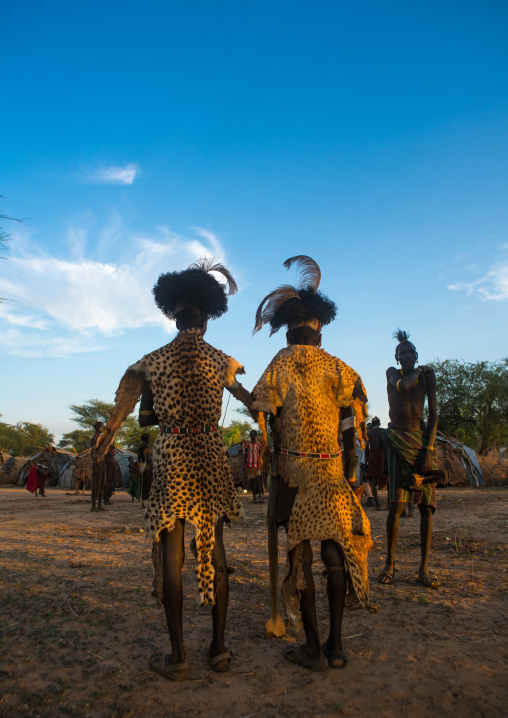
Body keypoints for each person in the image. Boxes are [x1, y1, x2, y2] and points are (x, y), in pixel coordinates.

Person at [92, 258, 255, 681]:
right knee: (214, 548)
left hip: (171, 454)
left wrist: (116, 431)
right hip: (210, 454)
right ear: (206, 318)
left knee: (172, 552)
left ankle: (178, 655)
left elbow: (127, 414)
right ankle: (218, 649)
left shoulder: (151, 361)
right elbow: (254, 403)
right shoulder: (221, 360)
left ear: (173, 314)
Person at [252, 256, 376, 672]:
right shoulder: (342, 369)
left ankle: (311, 649)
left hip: (293, 474)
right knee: (334, 552)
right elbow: (349, 427)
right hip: (332, 472)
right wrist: (350, 475)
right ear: (320, 326)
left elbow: (265, 415)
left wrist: (273, 449)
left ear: (290, 328)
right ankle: (336, 646)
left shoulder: (279, 365)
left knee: (300, 557)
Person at [378, 329, 443, 589]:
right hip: (396, 439)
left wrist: (429, 449)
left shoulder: (428, 377)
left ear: (416, 355)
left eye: (410, 352)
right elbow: (403, 386)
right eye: (402, 353)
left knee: (426, 507)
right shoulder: (393, 373)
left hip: (419, 442)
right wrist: (420, 372)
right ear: (396, 356)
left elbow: (435, 414)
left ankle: (423, 569)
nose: (406, 356)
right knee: (395, 506)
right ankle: (389, 564)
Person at [365, 417, 385, 510]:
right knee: (386, 477)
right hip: (382, 456)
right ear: (379, 423)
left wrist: (366, 460)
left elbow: (366, 449)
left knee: (373, 479)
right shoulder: (384, 432)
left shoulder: (368, 433)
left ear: (372, 425)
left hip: (372, 456)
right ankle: (389, 504)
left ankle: (378, 505)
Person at [90, 421, 107, 511]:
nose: (103, 428)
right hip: (97, 463)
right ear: (97, 428)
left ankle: (100, 504)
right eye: (102, 427)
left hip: (102, 462)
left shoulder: (101, 438)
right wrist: (95, 466)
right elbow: (92, 453)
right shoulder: (94, 438)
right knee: (96, 484)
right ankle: (93, 506)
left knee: (102, 484)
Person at [244, 429, 264, 503]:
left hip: (257, 464)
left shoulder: (259, 445)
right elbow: (245, 455)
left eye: (253, 435)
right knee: (252, 481)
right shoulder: (247, 444)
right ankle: (254, 498)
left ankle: (259, 497)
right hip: (249, 464)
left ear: (255, 435)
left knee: (258, 480)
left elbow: (260, 454)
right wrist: (244, 465)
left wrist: (261, 462)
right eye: (250, 435)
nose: (252, 436)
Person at [138, 434, 154, 507]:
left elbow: (139, 459)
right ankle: (148, 501)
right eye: (149, 438)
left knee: (143, 484)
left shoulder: (140, 447)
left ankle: (142, 502)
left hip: (143, 466)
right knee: (149, 484)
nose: (149, 440)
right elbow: (149, 458)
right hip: (148, 467)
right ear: (147, 439)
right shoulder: (148, 448)